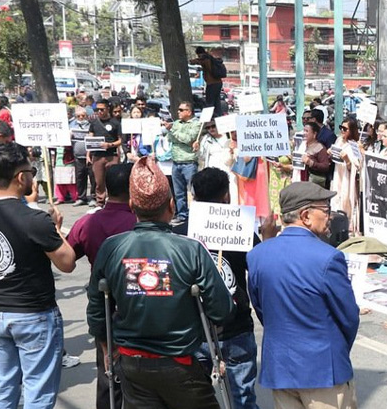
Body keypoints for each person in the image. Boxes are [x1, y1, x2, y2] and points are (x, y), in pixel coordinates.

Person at [86, 157, 234, 409]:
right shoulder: (191, 249)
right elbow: (221, 310)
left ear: (131, 206)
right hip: (180, 363)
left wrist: (104, 344)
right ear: (172, 206)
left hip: (132, 363)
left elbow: (97, 307)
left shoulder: (111, 247)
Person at [0, 142, 77, 408]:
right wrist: (56, 229)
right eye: (31, 171)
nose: (32, 176)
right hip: (34, 314)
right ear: (21, 177)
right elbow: (67, 262)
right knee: (38, 390)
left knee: (3, 385)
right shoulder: (34, 219)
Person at [248, 181, 359, 408]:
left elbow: (262, 310)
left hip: (281, 369)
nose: (329, 216)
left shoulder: (257, 255)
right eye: (326, 210)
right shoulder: (328, 257)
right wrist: (336, 351)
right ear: (306, 216)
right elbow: (348, 316)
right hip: (323, 371)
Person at [174, 168, 273, 409]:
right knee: (243, 399)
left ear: (194, 197)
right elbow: (264, 269)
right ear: (226, 196)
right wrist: (269, 239)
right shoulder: (241, 229)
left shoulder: (178, 234)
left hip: (199, 329)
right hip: (224, 328)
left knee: (196, 400)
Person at [67, 163, 135, 408]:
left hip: (105, 307)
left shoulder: (87, 222)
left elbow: (67, 258)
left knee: (108, 374)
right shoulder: (139, 222)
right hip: (137, 304)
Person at [166, 101, 202, 224]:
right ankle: (182, 214)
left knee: (193, 190)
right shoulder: (176, 123)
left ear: (189, 112)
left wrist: (174, 131)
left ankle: (196, 214)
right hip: (176, 162)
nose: (178, 112)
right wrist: (175, 133)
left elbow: (188, 138)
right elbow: (170, 138)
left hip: (189, 162)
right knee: (178, 192)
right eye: (178, 109)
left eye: (181, 110)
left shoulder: (196, 124)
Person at [88, 98, 122, 207]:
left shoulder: (115, 122)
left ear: (107, 109)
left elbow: (120, 140)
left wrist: (110, 145)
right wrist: (88, 154)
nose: (99, 112)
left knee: (113, 181)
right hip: (97, 156)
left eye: (102, 109)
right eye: (97, 109)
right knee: (99, 182)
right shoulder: (94, 122)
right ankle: (100, 203)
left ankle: (114, 202)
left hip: (112, 156)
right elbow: (90, 138)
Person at [332, 118, 363, 234]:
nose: (342, 131)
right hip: (338, 175)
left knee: (346, 200)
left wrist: (347, 160)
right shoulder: (339, 140)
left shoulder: (354, 145)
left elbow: (357, 167)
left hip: (347, 179)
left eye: (345, 129)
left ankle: (347, 227)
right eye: (341, 128)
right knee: (336, 198)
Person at [70, 106, 97, 206]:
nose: (81, 117)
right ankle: (81, 197)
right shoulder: (71, 125)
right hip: (78, 156)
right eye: (78, 116)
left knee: (93, 177)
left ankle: (93, 197)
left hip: (90, 156)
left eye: (83, 115)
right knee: (80, 177)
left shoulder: (91, 125)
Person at [189, 46, 225, 116]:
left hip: (212, 83)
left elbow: (196, 61)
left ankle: (209, 117)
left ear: (199, 53)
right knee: (217, 102)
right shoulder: (210, 57)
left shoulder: (205, 59)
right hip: (218, 82)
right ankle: (218, 116)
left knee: (209, 102)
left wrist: (191, 61)